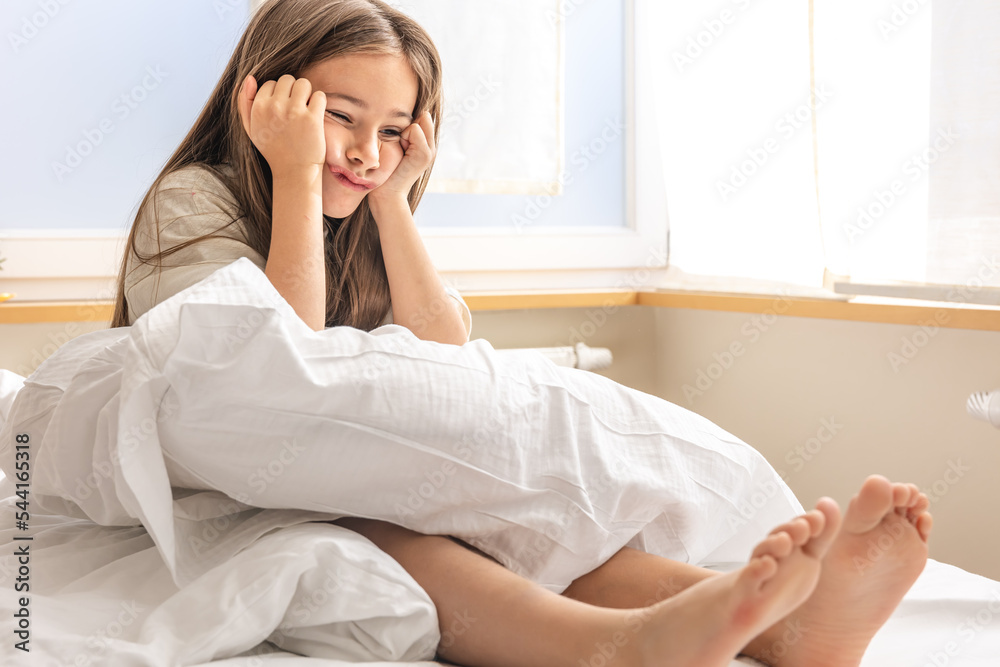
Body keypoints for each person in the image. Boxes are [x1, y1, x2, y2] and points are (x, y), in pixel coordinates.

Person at [109, 1, 934, 665]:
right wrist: (293, 171)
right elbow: (272, 379)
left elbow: (443, 357)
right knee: (399, 537)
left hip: (342, 469)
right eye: (340, 116)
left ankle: (789, 627)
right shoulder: (192, 201)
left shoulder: (364, 210)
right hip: (231, 483)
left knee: (527, 527)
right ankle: (611, 649)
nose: (366, 151)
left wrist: (394, 201)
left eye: (395, 130)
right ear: (265, 102)